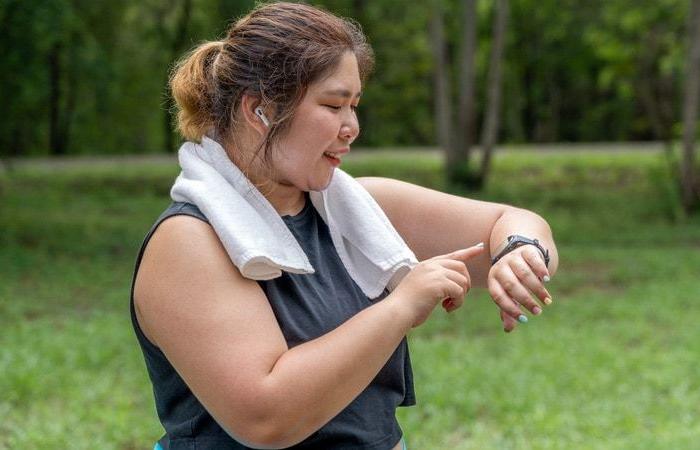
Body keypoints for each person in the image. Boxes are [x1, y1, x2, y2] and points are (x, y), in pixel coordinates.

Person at [129, 2, 559, 449]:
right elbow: (266, 417)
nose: (352, 126)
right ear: (259, 111)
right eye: (334, 105)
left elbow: (510, 221)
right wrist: (399, 307)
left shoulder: (358, 209)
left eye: (354, 106)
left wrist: (520, 251)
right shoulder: (189, 242)